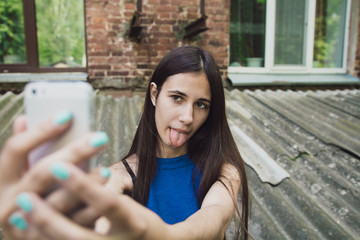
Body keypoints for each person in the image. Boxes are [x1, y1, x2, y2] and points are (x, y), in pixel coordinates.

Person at [0, 46, 249, 239]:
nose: (188, 117)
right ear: (154, 94)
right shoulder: (120, 175)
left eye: (201, 105)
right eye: (176, 98)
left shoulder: (224, 170)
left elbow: (214, 219)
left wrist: (164, 235)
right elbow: (99, 221)